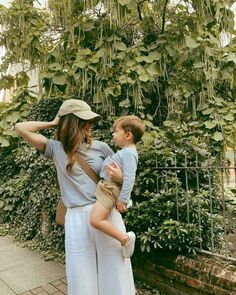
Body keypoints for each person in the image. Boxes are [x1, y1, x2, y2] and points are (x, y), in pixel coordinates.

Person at [15, 99, 136, 295]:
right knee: (81, 275)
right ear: (72, 124)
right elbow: (20, 128)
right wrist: (54, 122)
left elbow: (121, 179)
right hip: (76, 218)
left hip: (104, 212)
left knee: (116, 270)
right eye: (83, 121)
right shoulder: (55, 148)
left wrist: (120, 177)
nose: (89, 125)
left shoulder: (102, 147)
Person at [90, 115, 145, 258]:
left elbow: (129, 178)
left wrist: (123, 199)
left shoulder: (129, 154)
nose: (113, 135)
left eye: (115, 132)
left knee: (96, 220)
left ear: (128, 135)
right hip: (107, 188)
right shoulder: (126, 152)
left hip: (110, 190)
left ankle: (125, 239)